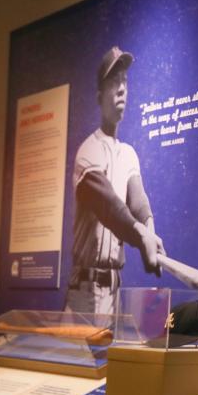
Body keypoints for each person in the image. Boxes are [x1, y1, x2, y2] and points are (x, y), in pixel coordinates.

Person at [64, 47, 164, 315]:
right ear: (99, 96)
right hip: (84, 292)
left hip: (115, 292)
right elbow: (108, 206)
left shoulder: (128, 153)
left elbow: (137, 199)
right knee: (76, 358)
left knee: (112, 358)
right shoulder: (88, 150)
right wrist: (142, 236)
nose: (121, 89)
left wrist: (150, 230)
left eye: (124, 82)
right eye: (113, 82)